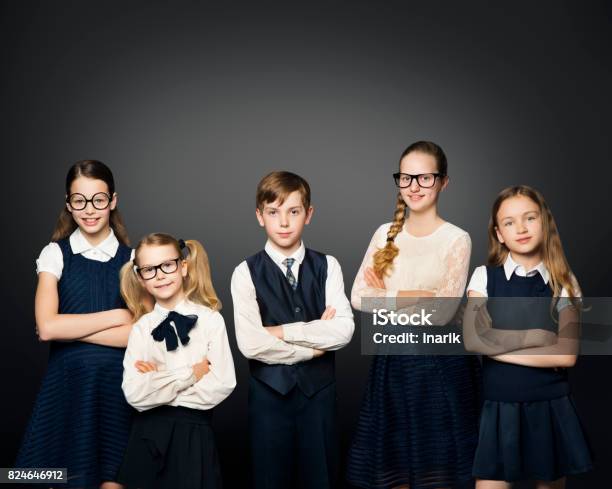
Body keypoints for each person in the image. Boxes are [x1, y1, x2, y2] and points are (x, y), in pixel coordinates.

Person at [347, 141, 481, 489]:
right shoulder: (385, 234)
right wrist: (416, 295)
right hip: (392, 365)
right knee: (394, 471)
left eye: (424, 178)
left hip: (440, 368)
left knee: (436, 471)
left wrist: (387, 299)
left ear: (443, 182)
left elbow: (444, 312)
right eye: (406, 178)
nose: (414, 187)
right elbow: (359, 298)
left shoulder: (456, 239)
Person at [230, 171, 355, 489]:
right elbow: (250, 344)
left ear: (308, 214)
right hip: (269, 402)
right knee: (270, 480)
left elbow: (343, 331)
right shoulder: (245, 272)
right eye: (273, 212)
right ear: (260, 216)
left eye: (293, 211)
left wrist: (279, 331)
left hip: (320, 400)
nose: (283, 222)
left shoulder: (329, 265)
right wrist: (313, 344)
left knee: (322, 478)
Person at [464, 185, 593, 489]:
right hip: (499, 405)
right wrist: (536, 335)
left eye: (529, 218)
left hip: (550, 406)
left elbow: (565, 355)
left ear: (544, 222)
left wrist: (494, 346)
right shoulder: (484, 277)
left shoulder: (564, 280)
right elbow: (472, 340)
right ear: (499, 233)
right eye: (509, 222)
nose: (520, 228)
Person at [16, 160, 134, 489]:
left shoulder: (134, 259)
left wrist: (74, 329)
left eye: (98, 199)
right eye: (79, 201)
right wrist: (117, 316)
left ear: (112, 200)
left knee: (113, 480)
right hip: (67, 391)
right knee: (55, 479)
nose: (89, 209)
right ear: (69, 204)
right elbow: (48, 328)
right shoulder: (55, 254)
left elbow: (139, 336)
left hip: (118, 392)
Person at [117, 233, 236, 489]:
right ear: (140, 277)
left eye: (167, 265)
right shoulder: (140, 329)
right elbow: (135, 395)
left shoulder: (210, 320)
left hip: (194, 437)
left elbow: (222, 384)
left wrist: (158, 379)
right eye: (149, 269)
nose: (160, 275)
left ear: (183, 267)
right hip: (147, 438)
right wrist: (190, 373)